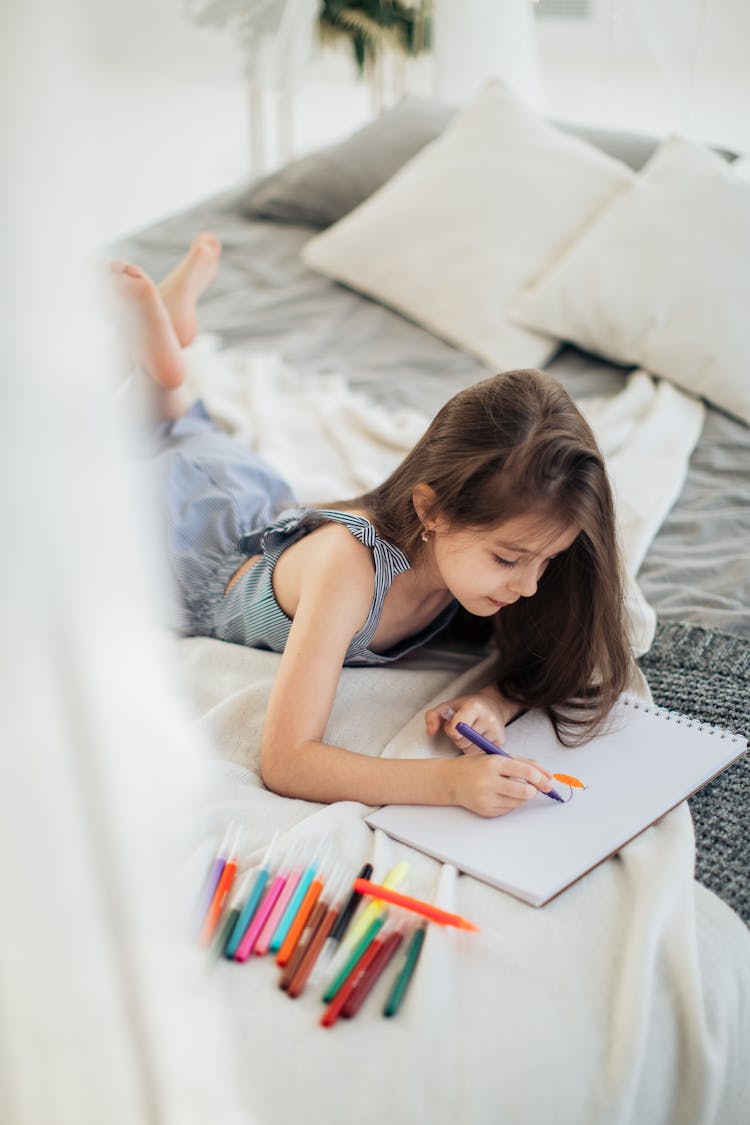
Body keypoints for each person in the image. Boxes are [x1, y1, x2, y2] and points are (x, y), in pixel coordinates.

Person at [111, 237, 633, 819]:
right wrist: (451, 784)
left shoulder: (480, 561)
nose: (530, 586)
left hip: (253, 504)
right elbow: (287, 762)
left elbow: (559, 646)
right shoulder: (351, 569)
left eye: (549, 561)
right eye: (509, 560)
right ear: (431, 511)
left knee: (176, 432)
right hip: (197, 555)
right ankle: (159, 355)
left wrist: (493, 700)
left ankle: (164, 355)